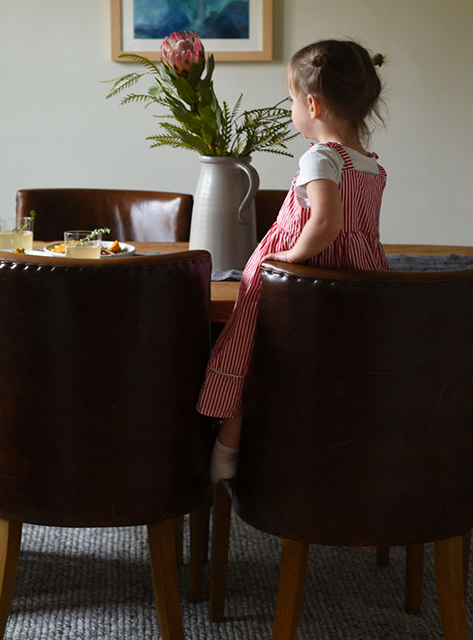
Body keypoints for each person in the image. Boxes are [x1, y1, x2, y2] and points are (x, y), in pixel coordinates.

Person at [196, 39, 390, 482]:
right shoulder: (371, 165)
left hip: (300, 282)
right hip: (352, 283)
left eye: (290, 101)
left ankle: (228, 443)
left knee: (253, 351)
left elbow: (325, 224)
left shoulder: (321, 156)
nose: (291, 111)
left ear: (313, 105)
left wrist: (287, 256)